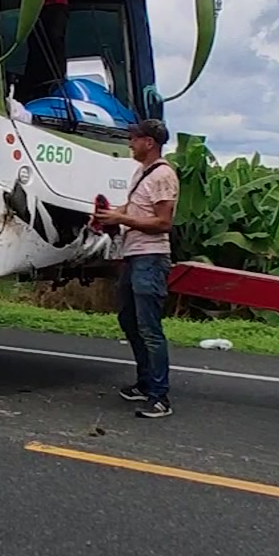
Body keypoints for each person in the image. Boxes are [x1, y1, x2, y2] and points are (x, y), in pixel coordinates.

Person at [92, 118, 177, 417]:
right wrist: (111, 214)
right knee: (129, 320)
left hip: (150, 257)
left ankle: (160, 396)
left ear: (148, 142)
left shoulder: (163, 176)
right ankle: (144, 383)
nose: (129, 143)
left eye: (134, 138)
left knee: (149, 328)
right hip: (135, 256)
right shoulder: (143, 172)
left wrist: (121, 220)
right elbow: (134, 208)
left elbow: (163, 222)